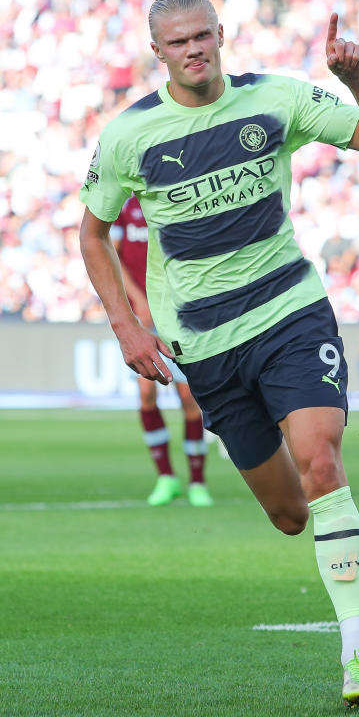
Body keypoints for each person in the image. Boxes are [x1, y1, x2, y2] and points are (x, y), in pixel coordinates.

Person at [78, 0, 359, 707]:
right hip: (206, 345)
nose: (194, 49)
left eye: (203, 35)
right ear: (157, 52)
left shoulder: (275, 100)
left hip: (291, 314)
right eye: (178, 42)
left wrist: (355, 79)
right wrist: (126, 326)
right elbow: (92, 234)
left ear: (221, 34)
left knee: (322, 458)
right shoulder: (129, 136)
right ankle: (340, 525)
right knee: (291, 514)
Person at [112, 194, 212, 507]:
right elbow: (112, 257)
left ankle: (197, 481)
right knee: (146, 394)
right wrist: (137, 300)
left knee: (188, 397)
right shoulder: (123, 206)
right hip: (141, 316)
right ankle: (166, 477)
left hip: (178, 314)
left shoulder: (173, 196)